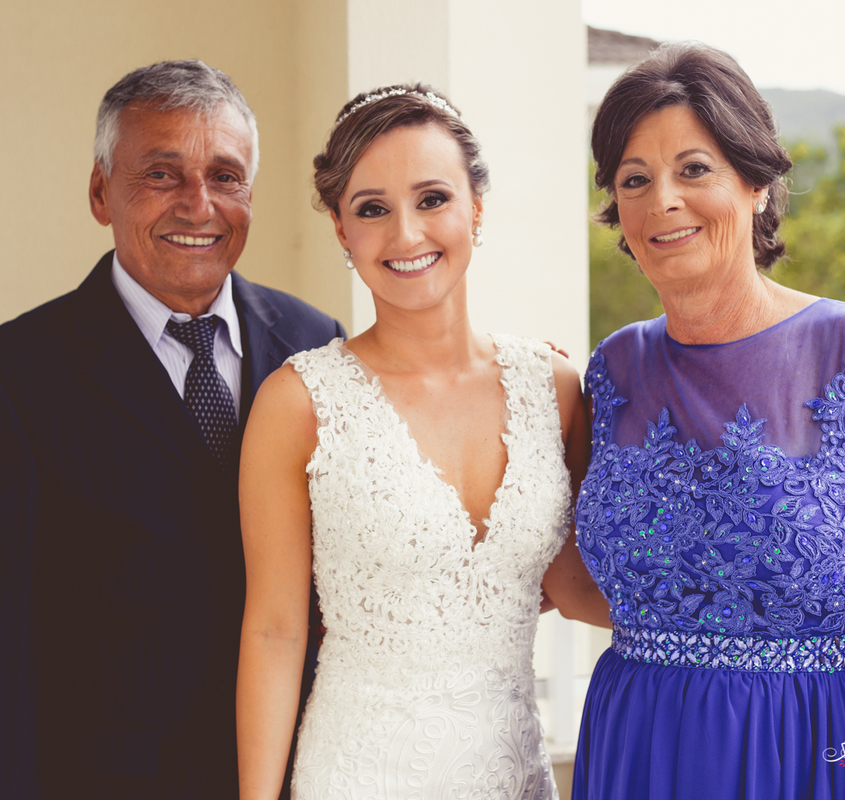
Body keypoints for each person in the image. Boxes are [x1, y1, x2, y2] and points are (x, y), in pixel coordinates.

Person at [0, 59, 344, 799]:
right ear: (101, 192)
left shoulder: (316, 344)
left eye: (225, 176)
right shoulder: (9, 381)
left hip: (303, 775)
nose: (199, 205)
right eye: (162, 175)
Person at [572, 43, 845, 800]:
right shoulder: (613, 369)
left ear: (755, 183)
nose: (663, 201)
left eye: (694, 169)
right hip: (633, 751)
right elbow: (585, 576)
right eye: (634, 179)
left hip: (805, 756)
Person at [235, 84, 610, 799]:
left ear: (477, 208)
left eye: (432, 199)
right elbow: (276, 631)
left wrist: (755, 606)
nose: (406, 235)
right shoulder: (298, 402)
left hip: (513, 776)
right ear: (342, 231)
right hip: (356, 776)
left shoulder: (554, 387)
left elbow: (573, 583)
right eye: (372, 209)